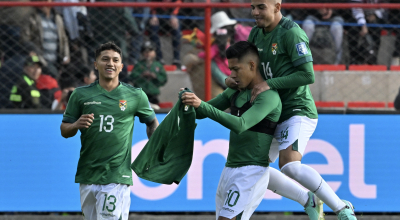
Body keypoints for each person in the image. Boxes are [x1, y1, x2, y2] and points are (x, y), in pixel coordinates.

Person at [225, 0, 357, 219]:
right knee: (254, 169)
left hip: (296, 110)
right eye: (253, 7)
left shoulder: (291, 33)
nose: (255, 12)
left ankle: (342, 209)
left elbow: (308, 75)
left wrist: (270, 84)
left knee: (290, 166)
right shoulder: (255, 35)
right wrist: (235, 79)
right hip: (271, 111)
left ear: (277, 7)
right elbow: (251, 71)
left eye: (261, 7)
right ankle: (308, 200)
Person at [182, 41, 282, 220]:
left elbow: (241, 124)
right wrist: (187, 101)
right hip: (229, 169)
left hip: (252, 170)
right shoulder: (235, 91)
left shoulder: (269, 96)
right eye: (230, 70)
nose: (232, 75)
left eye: (236, 69)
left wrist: (200, 104)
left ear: (252, 65)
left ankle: (307, 199)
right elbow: (200, 112)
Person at [60, 42, 159, 220]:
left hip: (116, 175)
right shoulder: (80, 95)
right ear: (95, 64)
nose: (110, 63)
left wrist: (155, 146)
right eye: (105, 59)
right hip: (88, 174)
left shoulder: (135, 95)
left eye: (115, 60)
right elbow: (64, 130)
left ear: (121, 67)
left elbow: (152, 122)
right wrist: (75, 125)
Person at [21, 0, 70, 78]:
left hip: (56, 59)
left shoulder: (57, 17)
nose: (43, 3)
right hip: (41, 58)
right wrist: (32, 50)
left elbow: (64, 39)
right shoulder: (32, 17)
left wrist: (66, 55)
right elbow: (25, 37)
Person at [129, 41, 167, 109]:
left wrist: (155, 76)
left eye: (150, 51)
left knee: (155, 108)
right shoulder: (139, 65)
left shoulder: (158, 65)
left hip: (153, 94)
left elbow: (164, 78)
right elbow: (132, 77)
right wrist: (142, 75)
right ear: (142, 53)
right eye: (145, 52)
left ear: (154, 52)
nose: (148, 54)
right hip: (140, 94)